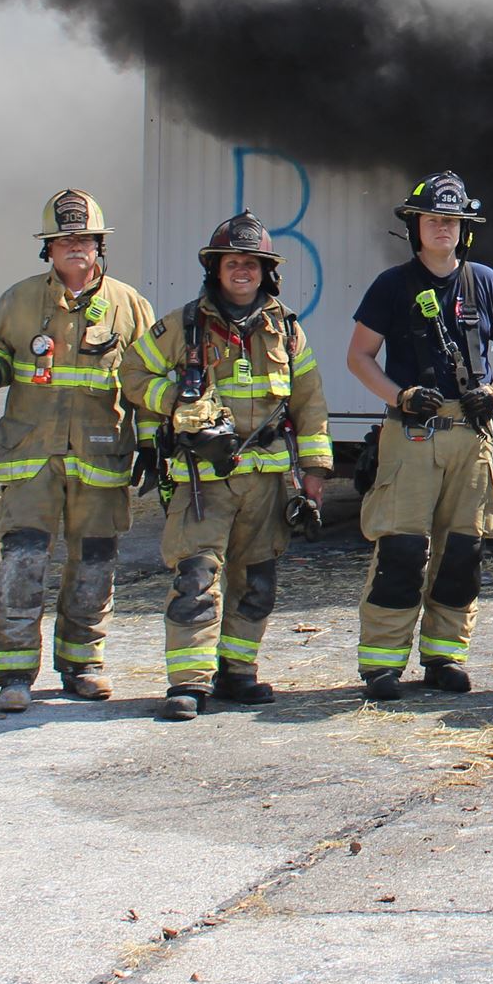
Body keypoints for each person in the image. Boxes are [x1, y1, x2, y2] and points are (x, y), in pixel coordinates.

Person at [122, 214, 332, 721]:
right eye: (232, 262)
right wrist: (177, 398)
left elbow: (310, 404)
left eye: (252, 264)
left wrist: (315, 473)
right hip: (203, 482)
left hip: (267, 484)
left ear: (266, 272)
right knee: (196, 578)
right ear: (215, 268)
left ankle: (238, 672)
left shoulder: (287, 330)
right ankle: (189, 683)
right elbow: (133, 371)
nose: (242, 271)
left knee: (257, 581)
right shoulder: (183, 324)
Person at [0, 189, 156, 713]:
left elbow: (145, 379)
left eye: (86, 239)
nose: (76, 247)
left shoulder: (129, 305)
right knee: (22, 562)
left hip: (100, 458)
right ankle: (14, 672)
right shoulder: (18, 299)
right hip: (29, 458)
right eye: (65, 239)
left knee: (94, 564)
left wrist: (150, 444)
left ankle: (82, 664)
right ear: (48, 249)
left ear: (99, 247)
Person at [344, 170, 493, 699]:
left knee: (462, 552)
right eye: (432, 219)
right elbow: (359, 356)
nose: (442, 228)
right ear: (415, 226)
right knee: (402, 548)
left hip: (471, 436)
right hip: (412, 435)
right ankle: (381, 663)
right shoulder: (392, 286)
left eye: (451, 220)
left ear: (463, 228)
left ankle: (445, 656)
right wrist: (398, 396)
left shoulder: (487, 283)